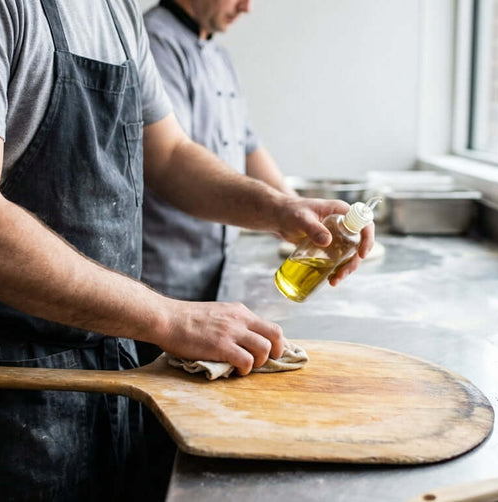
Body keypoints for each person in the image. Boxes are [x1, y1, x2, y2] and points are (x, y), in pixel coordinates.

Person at [0, 0, 374, 500]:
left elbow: (170, 155)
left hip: (113, 371)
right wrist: (170, 318)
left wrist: (280, 209)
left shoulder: (114, 7)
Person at [135, 1, 297, 496]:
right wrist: (281, 213)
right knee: (160, 434)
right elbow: (173, 161)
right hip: (162, 282)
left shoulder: (217, 55)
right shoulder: (155, 42)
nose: (247, 7)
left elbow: (247, 145)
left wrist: (296, 211)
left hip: (214, 273)